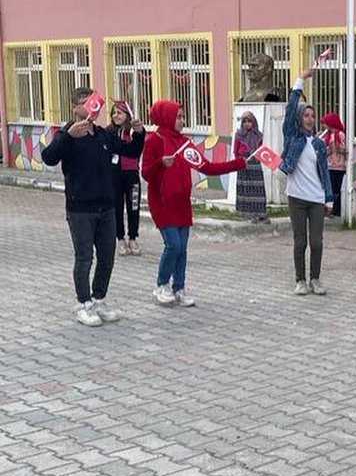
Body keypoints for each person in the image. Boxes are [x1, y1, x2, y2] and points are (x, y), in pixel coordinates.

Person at [40, 88, 141, 326]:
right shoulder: (67, 133)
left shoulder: (102, 134)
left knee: (107, 257)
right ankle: (83, 304)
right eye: (86, 103)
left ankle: (99, 299)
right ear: (75, 107)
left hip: (106, 206)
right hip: (80, 209)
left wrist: (138, 133)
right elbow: (49, 157)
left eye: (94, 103)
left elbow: (131, 151)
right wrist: (68, 136)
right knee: (84, 258)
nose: (93, 108)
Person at [142, 101, 247, 306]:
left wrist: (238, 164)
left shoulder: (185, 143)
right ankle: (161, 285)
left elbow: (207, 167)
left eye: (183, 116)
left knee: (182, 248)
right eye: (179, 116)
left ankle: (179, 288)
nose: (183, 121)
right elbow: (146, 173)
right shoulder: (154, 141)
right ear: (166, 117)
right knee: (173, 245)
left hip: (181, 202)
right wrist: (160, 164)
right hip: (162, 202)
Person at [279, 68, 335, 295]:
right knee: (300, 241)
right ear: (300, 118)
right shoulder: (292, 136)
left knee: (317, 242)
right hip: (296, 197)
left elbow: (325, 174)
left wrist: (329, 200)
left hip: (316, 198)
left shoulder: (319, 144)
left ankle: (316, 279)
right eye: (306, 115)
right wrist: (300, 79)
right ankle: (300, 280)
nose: (310, 119)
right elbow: (291, 108)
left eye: (312, 115)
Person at [107, 100, 145, 256]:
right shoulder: (109, 132)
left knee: (134, 207)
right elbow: (121, 149)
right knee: (117, 207)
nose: (116, 115)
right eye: (114, 112)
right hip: (115, 175)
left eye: (120, 112)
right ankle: (120, 239)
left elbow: (136, 151)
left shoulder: (135, 132)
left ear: (128, 115)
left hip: (132, 175)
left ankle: (133, 238)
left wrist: (139, 133)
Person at [233, 111, 268, 221]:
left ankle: (260, 213)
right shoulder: (239, 135)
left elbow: (261, 149)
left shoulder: (258, 135)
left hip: (255, 163)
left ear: (254, 122)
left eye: (249, 121)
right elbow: (235, 150)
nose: (247, 124)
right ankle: (248, 214)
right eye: (245, 122)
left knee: (258, 189)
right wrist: (238, 162)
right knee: (246, 189)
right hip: (243, 163)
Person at [320, 113, 348, 217]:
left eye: (326, 124)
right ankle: (329, 208)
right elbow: (326, 151)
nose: (325, 126)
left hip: (339, 167)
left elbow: (345, 149)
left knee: (336, 189)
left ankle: (336, 209)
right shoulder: (327, 136)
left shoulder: (340, 134)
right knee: (329, 188)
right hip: (330, 165)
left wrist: (336, 148)